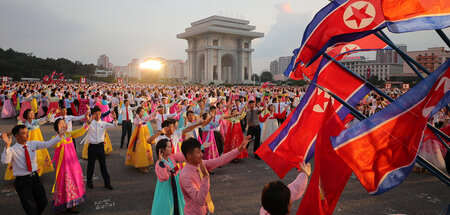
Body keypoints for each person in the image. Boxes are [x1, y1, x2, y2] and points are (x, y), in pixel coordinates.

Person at [1, 124, 67, 215]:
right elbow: (5, 160)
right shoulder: (12, 149)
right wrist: (7, 145)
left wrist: (60, 135)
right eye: (24, 133)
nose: (27, 135)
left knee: (43, 202)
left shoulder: (32, 144)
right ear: (16, 136)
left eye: (27, 133)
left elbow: (48, 143)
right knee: (30, 207)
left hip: (35, 178)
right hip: (22, 182)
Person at [179, 135, 251, 215]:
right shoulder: (185, 176)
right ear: (188, 155)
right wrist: (206, 177)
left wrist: (239, 149)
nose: (201, 155)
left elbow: (219, 160)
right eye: (198, 152)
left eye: (201, 151)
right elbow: (200, 200)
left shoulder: (200, 164)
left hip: (205, 210)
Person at [51, 116, 90, 213]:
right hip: (64, 166)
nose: (63, 125)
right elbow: (55, 144)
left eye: (64, 123)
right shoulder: (55, 138)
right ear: (57, 127)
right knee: (65, 183)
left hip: (74, 164)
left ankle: (73, 203)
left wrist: (88, 122)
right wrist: (60, 135)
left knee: (74, 182)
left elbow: (80, 131)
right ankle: (68, 204)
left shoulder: (69, 134)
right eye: (60, 124)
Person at [84, 106, 117, 190]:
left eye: (99, 113)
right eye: (96, 114)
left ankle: (107, 183)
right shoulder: (90, 123)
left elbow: (114, 126)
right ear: (93, 115)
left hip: (100, 147)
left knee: (103, 166)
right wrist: (88, 119)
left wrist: (115, 118)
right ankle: (89, 182)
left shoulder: (103, 123)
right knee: (90, 166)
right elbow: (84, 128)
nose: (98, 115)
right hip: (92, 147)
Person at [151, 139, 186, 215]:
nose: (171, 148)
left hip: (176, 185)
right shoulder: (159, 164)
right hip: (166, 189)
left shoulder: (172, 158)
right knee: (168, 207)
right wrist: (161, 162)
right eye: (169, 147)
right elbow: (164, 177)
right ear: (162, 150)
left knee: (179, 203)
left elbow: (185, 155)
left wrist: (200, 148)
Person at [125, 107, 157, 172]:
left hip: (145, 136)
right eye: (140, 112)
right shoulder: (136, 119)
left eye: (143, 112)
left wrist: (155, 111)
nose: (142, 113)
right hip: (138, 137)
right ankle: (141, 165)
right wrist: (137, 117)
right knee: (140, 149)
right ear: (138, 113)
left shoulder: (143, 118)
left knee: (145, 148)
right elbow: (139, 123)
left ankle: (144, 164)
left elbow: (150, 117)